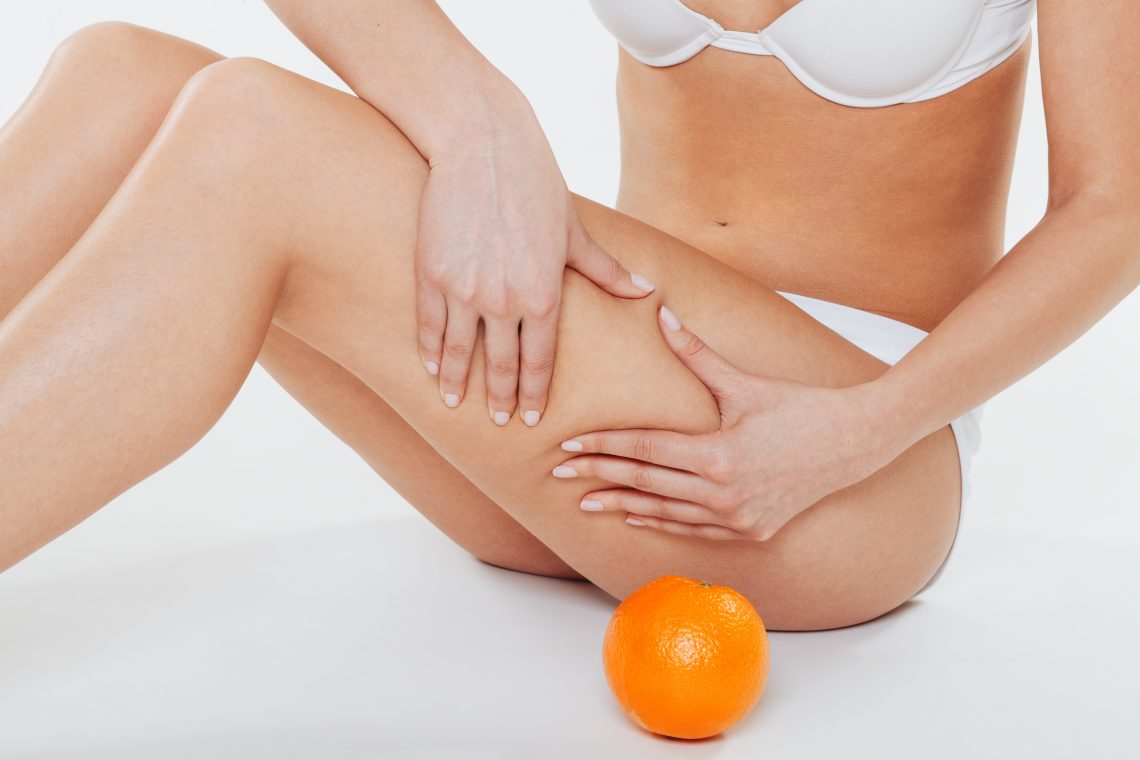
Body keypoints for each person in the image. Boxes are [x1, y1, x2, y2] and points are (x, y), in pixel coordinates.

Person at [0, 1, 1136, 632]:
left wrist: (868, 426)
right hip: (581, 441)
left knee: (252, 137)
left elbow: (1117, 206)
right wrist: (477, 114)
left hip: (843, 469)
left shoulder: (862, 439)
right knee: (121, 75)